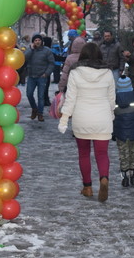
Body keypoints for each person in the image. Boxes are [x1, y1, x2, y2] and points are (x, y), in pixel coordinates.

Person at [57, 42, 115, 202]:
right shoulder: (108, 72)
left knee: (84, 153)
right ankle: (104, 178)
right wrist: (111, 115)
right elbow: (111, 98)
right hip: (102, 117)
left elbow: (71, 98)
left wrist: (63, 119)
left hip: (82, 117)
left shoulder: (75, 72)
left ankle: (87, 187)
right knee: (102, 154)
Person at [24, 33, 55, 122]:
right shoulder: (30, 50)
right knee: (29, 94)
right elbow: (24, 58)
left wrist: (47, 73)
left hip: (42, 76)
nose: (37, 42)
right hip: (31, 76)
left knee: (41, 96)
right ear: (33, 42)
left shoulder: (47, 50)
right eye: (35, 40)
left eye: (39, 40)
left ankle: (40, 113)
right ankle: (34, 108)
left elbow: (51, 63)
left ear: (42, 41)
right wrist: (31, 49)